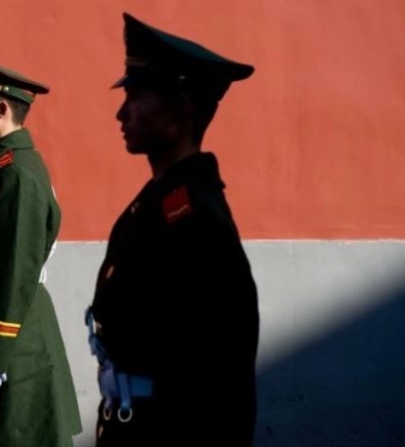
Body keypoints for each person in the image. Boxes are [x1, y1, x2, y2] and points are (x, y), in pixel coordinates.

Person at [85, 13, 260, 446]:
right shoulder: (158, 204)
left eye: (137, 96)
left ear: (181, 108)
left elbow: (223, 387)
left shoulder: (196, 221)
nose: (121, 111)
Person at [0, 51, 82, 447]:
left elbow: (16, 267)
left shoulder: (16, 174)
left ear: (2, 108)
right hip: (3, 326)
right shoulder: (2, 165)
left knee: (14, 435)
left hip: (15, 335)